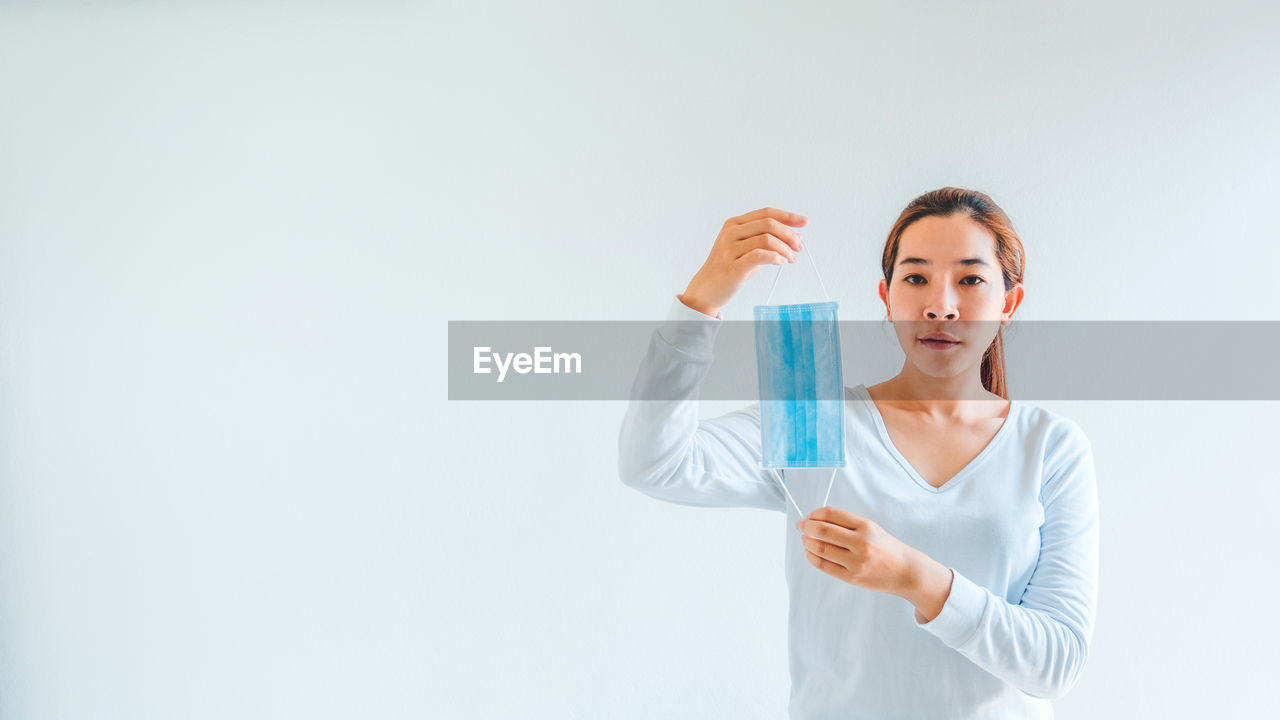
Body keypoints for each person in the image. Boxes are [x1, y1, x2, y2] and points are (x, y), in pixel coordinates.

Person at [617, 188, 1099, 719]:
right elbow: (653, 463)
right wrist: (701, 303)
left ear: (1009, 303)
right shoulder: (816, 424)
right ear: (887, 298)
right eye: (915, 278)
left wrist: (912, 577)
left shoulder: (1049, 448)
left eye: (971, 279)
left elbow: (1058, 665)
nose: (940, 304)